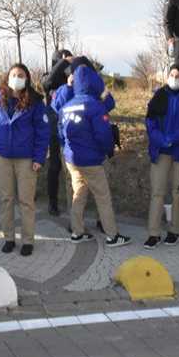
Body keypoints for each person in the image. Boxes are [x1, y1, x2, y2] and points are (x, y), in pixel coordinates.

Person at [54, 64, 130, 247]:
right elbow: (103, 135)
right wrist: (105, 151)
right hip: (91, 161)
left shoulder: (66, 107)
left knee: (78, 195)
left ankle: (77, 232)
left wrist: (68, 151)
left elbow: (61, 135)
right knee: (103, 197)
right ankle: (112, 236)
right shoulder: (95, 106)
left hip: (72, 159)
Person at [0, 64, 49, 256]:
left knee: (26, 201)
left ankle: (28, 240)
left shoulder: (35, 102)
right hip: (2, 156)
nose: (16, 78)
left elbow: (43, 132)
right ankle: (8, 238)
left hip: (26, 159)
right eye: (13, 75)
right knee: (6, 199)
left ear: (26, 79)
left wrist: (39, 157)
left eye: (20, 75)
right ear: (7, 77)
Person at [144, 64, 179, 249]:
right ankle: (153, 233)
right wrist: (160, 139)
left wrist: (173, 138)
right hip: (160, 151)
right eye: (171, 74)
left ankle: (175, 230)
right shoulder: (159, 95)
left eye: (178, 75)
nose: (174, 78)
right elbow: (150, 121)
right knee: (157, 193)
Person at [41, 49, 73, 216]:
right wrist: (62, 62)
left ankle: (73, 207)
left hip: (71, 128)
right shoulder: (49, 76)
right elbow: (47, 84)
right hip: (54, 128)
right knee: (55, 167)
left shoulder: (72, 78)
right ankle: (52, 202)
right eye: (64, 62)